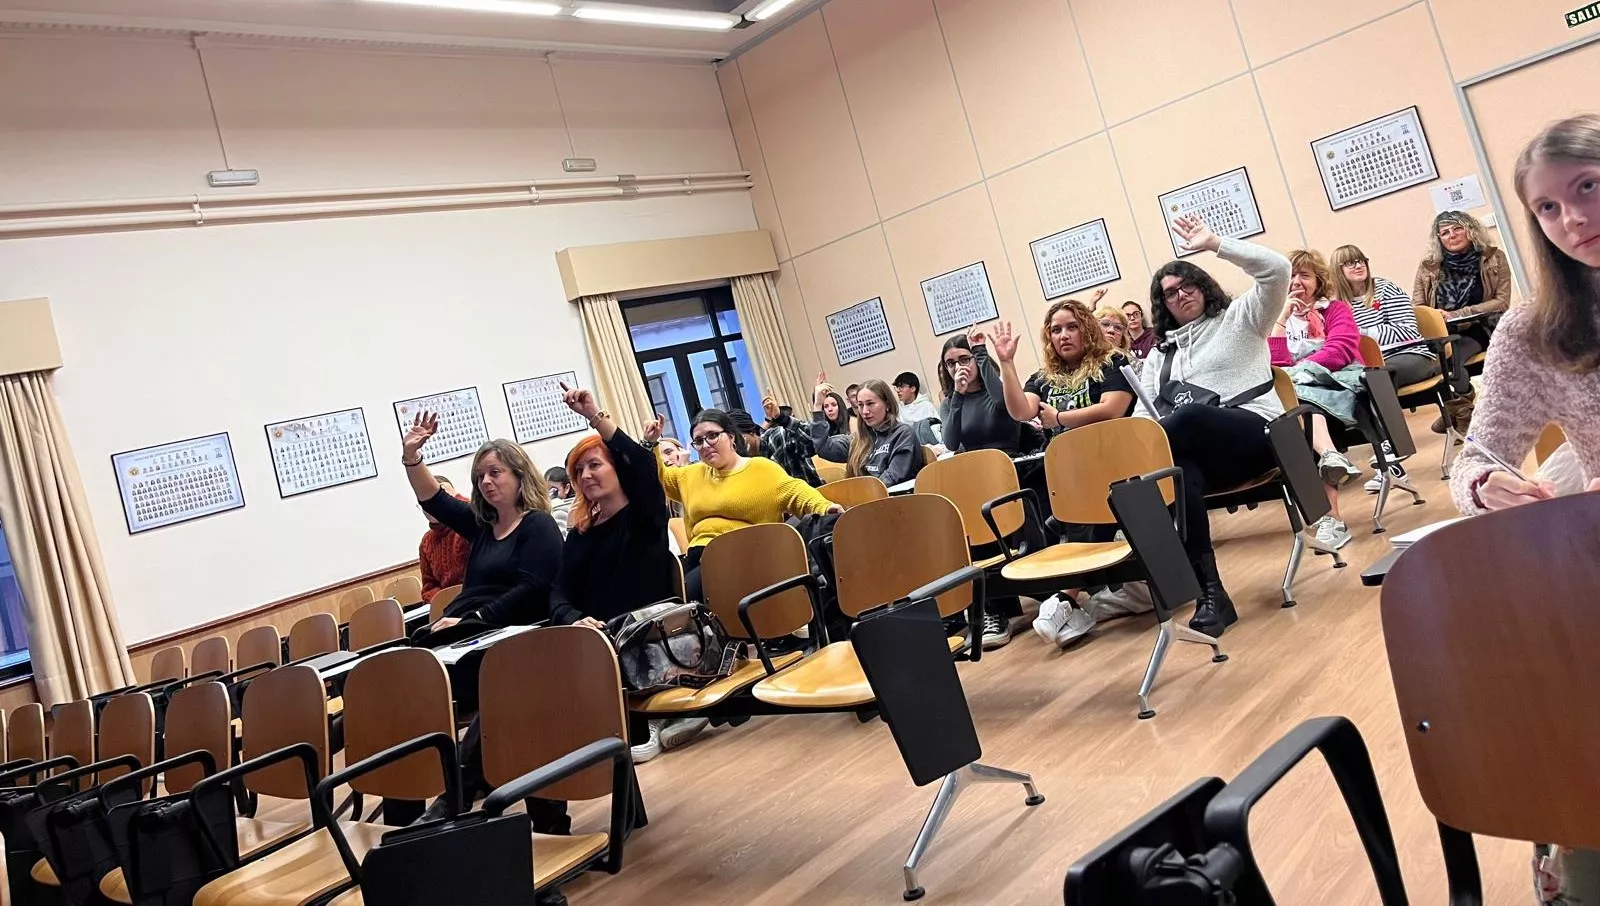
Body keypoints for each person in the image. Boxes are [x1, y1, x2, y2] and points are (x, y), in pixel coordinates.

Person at [1448, 114, 1600, 906]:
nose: (1572, 218)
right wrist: (1487, 485)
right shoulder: (1536, 330)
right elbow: (1473, 459)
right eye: (1547, 207)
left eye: (1588, 187)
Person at [1137, 214, 1289, 637]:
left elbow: (1278, 270)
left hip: (1259, 435)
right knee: (1178, 471)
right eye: (1170, 293)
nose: (1181, 294)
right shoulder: (1160, 355)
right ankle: (1211, 594)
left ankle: (1106, 502)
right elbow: (1142, 418)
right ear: (1162, 305)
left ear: (1203, 286)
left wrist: (1216, 244)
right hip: (1203, 457)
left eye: (1188, 285)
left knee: (1187, 418)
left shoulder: (1242, 317)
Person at [548, 384, 705, 764]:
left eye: (595, 465)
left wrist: (594, 416)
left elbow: (643, 465)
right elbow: (559, 591)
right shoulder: (580, 532)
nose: (586, 475)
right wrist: (573, 617)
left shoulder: (644, 514)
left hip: (643, 632)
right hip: (596, 636)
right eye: (579, 470)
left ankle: (657, 715)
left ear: (618, 469)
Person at [991, 297, 1136, 647]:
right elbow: (1021, 411)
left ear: (1087, 328)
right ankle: (1072, 607)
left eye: (1072, 327)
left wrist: (1058, 418)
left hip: (1115, 466)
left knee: (1091, 512)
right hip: (1070, 477)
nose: (1064, 335)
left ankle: (1065, 598)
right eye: (1056, 330)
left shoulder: (1111, 362)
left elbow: (1113, 409)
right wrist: (1006, 363)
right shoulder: (1044, 378)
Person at [655, 408, 839, 601]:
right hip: (700, 557)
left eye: (712, 436)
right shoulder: (691, 474)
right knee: (665, 597)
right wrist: (650, 444)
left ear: (731, 437)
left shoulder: (761, 468)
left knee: (682, 600)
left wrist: (824, 506)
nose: (705, 445)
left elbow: (798, 492)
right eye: (699, 441)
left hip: (748, 558)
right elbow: (658, 476)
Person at [402, 417, 562, 636]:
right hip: (469, 624)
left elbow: (533, 589)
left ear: (520, 476)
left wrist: (475, 619)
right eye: (480, 476)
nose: (485, 481)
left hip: (503, 630)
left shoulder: (538, 524)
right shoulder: (482, 525)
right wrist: (411, 456)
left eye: (494, 472)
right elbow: (434, 500)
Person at [1268, 249, 1365, 550]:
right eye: (1291, 276)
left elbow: (1340, 350)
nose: (1297, 282)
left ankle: (1332, 520)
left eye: (1305, 275)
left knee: (1301, 418)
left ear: (1318, 281)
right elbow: (1273, 364)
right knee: (1296, 423)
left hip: (1337, 386)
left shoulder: (1334, 310)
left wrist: (1299, 371)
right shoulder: (1275, 318)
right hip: (1297, 399)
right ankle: (1331, 457)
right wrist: (1282, 319)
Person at [1330, 243, 1435, 492]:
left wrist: (1359, 335)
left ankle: (1395, 448)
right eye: (1350, 262)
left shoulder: (1386, 289)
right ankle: (1388, 466)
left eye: (1361, 260)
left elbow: (1407, 331)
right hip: (1370, 365)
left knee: (1377, 378)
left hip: (1409, 354)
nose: (1358, 265)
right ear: (1337, 270)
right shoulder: (1337, 305)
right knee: (1357, 387)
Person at [1413, 209, 1514, 434]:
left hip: (1480, 327)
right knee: (1431, 359)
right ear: (1439, 238)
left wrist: (1457, 314)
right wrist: (1434, 317)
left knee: (1451, 358)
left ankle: (1460, 417)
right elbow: (1417, 307)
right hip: (1441, 331)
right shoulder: (1429, 267)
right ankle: (1460, 411)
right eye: (1445, 232)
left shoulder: (1493, 257)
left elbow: (1501, 302)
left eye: (1457, 228)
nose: (1452, 235)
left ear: (1470, 230)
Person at [813, 378, 926, 487]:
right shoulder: (858, 440)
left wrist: (860, 495)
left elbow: (890, 479)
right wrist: (818, 406)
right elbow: (823, 448)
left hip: (892, 497)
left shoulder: (903, 434)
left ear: (887, 405)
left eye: (870, 404)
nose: (865, 411)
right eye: (860, 405)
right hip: (865, 496)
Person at [937, 331, 1022, 455]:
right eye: (950, 363)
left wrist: (980, 352)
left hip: (1007, 459)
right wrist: (958, 394)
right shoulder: (948, 403)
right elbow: (951, 444)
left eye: (964, 360)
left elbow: (1002, 402)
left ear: (976, 359)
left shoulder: (996, 390)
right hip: (972, 463)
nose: (958, 368)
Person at [418, 475, 471, 604]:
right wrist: (443, 599)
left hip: (476, 598)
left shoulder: (467, 525)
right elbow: (429, 587)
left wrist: (453, 499)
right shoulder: (426, 541)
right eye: (425, 502)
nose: (431, 506)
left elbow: (476, 514)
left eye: (436, 500)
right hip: (447, 605)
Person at [758, 395, 823, 486]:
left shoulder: (786, 436)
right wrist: (772, 418)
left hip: (807, 486)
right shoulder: (777, 435)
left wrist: (769, 419)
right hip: (807, 485)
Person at [1094, 305, 1142, 376]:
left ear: (1122, 339)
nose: (1111, 330)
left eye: (1118, 327)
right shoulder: (1081, 358)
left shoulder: (1131, 363)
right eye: (1105, 324)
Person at [544, 466, 575, 534]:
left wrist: (555, 502)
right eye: (546, 491)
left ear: (566, 488)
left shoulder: (575, 508)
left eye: (554, 490)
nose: (549, 495)